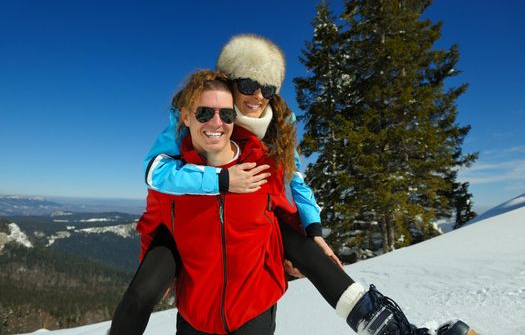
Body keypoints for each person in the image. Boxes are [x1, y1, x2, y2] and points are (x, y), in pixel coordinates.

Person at [133, 35, 473, 335]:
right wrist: (221, 179)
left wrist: (315, 229)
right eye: (249, 85)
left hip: (268, 215)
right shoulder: (204, 113)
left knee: (317, 256)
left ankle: (390, 330)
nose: (257, 97)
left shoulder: (280, 123)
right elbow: (156, 172)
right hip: (207, 219)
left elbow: (296, 179)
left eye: (267, 89)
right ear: (230, 82)